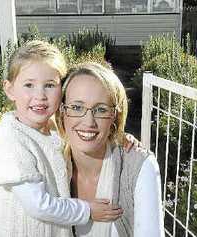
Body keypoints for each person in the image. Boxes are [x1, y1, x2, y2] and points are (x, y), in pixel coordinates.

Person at [0, 40, 124, 237]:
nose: (40, 95)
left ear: (63, 91)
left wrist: (120, 138)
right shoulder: (9, 137)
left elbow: (88, 133)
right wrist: (88, 210)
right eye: (29, 85)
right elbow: (39, 205)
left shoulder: (53, 127)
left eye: (49, 85)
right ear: (10, 90)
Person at [55, 62, 164, 236]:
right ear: (61, 111)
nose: (89, 122)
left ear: (115, 115)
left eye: (100, 109)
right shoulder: (50, 162)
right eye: (76, 107)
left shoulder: (139, 167)